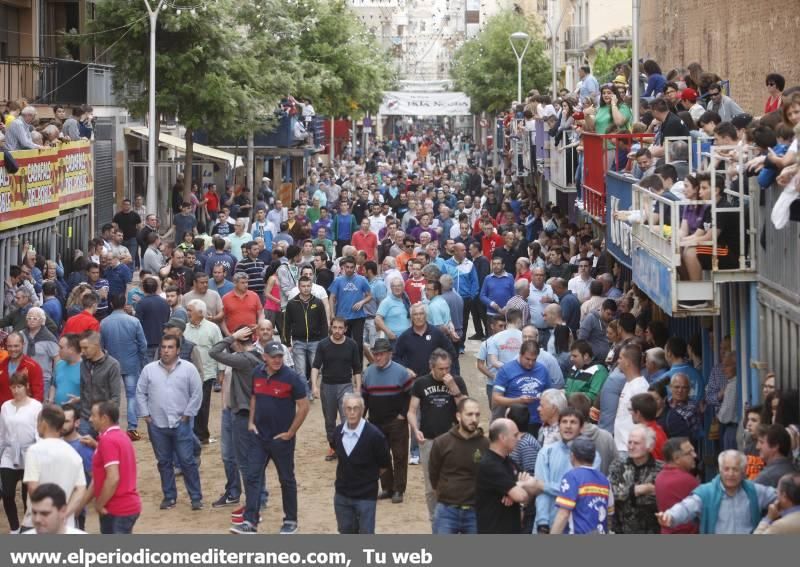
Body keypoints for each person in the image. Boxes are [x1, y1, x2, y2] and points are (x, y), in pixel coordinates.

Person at [236, 341, 310, 535]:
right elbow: (254, 397)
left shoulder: (292, 378)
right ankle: (250, 521)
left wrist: (291, 432)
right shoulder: (257, 374)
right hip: (259, 437)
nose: (278, 360)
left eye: (280, 356)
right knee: (252, 477)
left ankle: (291, 520)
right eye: (274, 356)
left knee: (286, 479)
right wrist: (251, 423)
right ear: (265, 357)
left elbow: (303, 406)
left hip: (281, 439)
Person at [136, 335, 204, 511]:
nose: (166, 350)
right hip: (157, 425)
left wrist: (188, 415)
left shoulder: (189, 369)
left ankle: (195, 497)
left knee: (187, 461)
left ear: (178, 350)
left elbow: (197, 393)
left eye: (170, 347)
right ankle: (169, 497)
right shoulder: (149, 370)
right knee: (164, 462)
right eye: (164, 347)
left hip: (182, 423)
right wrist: (146, 415)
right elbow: (140, 392)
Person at [407, 348, 468, 522]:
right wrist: (415, 428)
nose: (445, 372)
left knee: (456, 480)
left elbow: (465, 409)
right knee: (431, 485)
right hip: (428, 440)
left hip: (454, 440)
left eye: (447, 368)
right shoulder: (421, 383)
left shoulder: (457, 381)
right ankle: (435, 521)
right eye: (441, 369)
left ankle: (455, 519)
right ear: (431, 367)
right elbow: (411, 411)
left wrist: (454, 388)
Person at [657, 450, 776, 534]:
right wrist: (670, 516)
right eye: (726, 469)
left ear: (744, 471)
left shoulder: (754, 491)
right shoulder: (706, 492)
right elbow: (686, 507)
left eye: (735, 469)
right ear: (719, 469)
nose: (730, 474)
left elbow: (780, 496)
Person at [361, 339, 413, 504]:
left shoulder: (401, 372)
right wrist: (361, 418)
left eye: (381, 354)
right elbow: (365, 397)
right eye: (375, 354)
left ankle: (399, 489)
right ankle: (387, 488)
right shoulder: (368, 373)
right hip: (375, 422)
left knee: (399, 455)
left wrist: (403, 415)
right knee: (380, 457)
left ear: (390, 354)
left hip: (396, 421)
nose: (377, 357)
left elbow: (410, 395)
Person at [427, 397, 489, 534]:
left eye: (477, 415)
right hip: (446, 511)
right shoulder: (441, 442)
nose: (474, 419)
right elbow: (433, 475)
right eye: (469, 414)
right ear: (458, 416)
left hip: (475, 512)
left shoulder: (486, 444)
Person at [534, 408, 601, 532]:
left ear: (581, 428)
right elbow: (540, 490)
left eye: (573, 422)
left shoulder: (593, 456)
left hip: (579, 525)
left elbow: (581, 491)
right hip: (548, 522)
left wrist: (545, 486)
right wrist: (542, 522)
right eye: (564, 422)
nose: (568, 426)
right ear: (559, 426)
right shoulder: (545, 452)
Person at [21, 404, 86, 531]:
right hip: (65, 524)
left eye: (37, 422)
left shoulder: (34, 451)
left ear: (43, 423)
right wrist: (64, 514)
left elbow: (33, 487)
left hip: (37, 524)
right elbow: (80, 490)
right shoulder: (73, 454)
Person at [332, 393, 391, 534]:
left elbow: (384, 464)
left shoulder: (375, 435)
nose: (352, 413)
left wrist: (368, 479)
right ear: (344, 410)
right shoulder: (337, 433)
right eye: (348, 408)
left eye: (356, 408)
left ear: (362, 410)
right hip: (342, 495)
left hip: (366, 496)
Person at [82, 401, 141, 534]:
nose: (90, 419)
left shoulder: (108, 441)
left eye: (93, 415)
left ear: (104, 418)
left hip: (116, 509)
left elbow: (113, 478)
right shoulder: (121, 436)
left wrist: (99, 504)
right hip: (125, 507)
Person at [311, 318, 362, 460]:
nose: (337, 331)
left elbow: (357, 368)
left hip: (346, 385)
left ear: (345, 329)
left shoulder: (352, 345)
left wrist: (358, 388)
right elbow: (316, 366)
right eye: (335, 328)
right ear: (331, 328)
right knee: (329, 420)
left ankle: (347, 446)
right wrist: (314, 385)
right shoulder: (323, 345)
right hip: (327, 386)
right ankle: (333, 446)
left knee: (348, 417)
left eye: (340, 328)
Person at [476, 418, 539, 534]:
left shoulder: (509, 462)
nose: (519, 438)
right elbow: (521, 496)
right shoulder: (490, 465)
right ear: (502, 438)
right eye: (515, 435)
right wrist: (519, 489)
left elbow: (536, 486)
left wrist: (518, 486)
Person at [100, 294, 148, 441]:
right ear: (125, 304)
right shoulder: (134, 321)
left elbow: (100, 346)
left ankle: (111, 426)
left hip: (110, 363)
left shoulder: (104, 323)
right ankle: (132, 427)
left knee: (112, 397)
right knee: (131, 395)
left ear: (112, 305)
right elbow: (143, 344)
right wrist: (140, 359)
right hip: (131, 362)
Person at [0, 372, 42, 532]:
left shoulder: (36, 406)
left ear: (26, 387)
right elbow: (2, 433)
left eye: (19, 386)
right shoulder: (5, 406)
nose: (16, 390)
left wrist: (39, 454)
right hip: (9, 454)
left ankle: (28, 527)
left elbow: (39, 432)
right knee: (8, 493)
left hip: (29, 454)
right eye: (13, 387)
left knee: (27, 496)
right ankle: (14, 528)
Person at [550, 436, 614, 535]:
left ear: (572, 456)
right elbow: (610, 513)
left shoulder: (572, 477)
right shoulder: (605, 480)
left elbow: (563, 514)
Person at [608, 425, 663, 534]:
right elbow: (611, 493)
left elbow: (661, 499)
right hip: (621, 531)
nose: (631, 447)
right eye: (629, 442)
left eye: (636, 443)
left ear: (649, 446)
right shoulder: (618, 465)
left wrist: (626, 493)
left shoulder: (661, 470)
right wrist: (637, 490)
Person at [492, 340, 552, 437]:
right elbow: (496, 398)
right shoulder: (506, 370)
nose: (530, 363)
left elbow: (549, 394)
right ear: (520, 354)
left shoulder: (542, 370)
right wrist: (518, 400)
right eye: (527, 359)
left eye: (534, 360)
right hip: (514, 422)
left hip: (536, 421)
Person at [184, 300, 223, 445]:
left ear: (200, 313)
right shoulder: (185, 329)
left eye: (190, 310)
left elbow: (220, 349)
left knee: (203, 405)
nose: (187, 313)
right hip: (188, 374)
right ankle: (193, 433)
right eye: (187, 310)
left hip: (207, 373)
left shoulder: (212, 328)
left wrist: (221, 370)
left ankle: (202, 435)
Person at [286, 277, 329, 396]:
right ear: (299, 287)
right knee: (300, 371)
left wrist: (324, 341)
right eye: (303, 286)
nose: (306, 288)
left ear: (311, 286)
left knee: (316, 369)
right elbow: (287, 324)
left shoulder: (318, 303)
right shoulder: (291, 304)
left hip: (315, 342)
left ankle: (311, 387)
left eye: (308, 286)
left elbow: (323, 323)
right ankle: (304, 394)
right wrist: (287, 343)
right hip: (298, 341)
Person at [394, 303, 458, 378]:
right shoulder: (405, 336)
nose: (418, 317)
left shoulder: (436, 333)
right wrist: (405, 369)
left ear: (426, 316)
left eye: (421, 314)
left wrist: (442, 370)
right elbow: (395, 358)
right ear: (411, 317)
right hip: (414, 381)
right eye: (415, 314)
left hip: (434, 380)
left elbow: (451, 352)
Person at [78, 331, 122, 437]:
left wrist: (109, 419)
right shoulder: (83, 364)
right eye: (81, 348)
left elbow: (115, 397)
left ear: (96, 345)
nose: (82, 352)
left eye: (85, 348)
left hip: (104, 420)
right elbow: (83, 389)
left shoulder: (112, 365)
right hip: (86, 418)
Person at [328, 256, 372, 361]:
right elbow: (331, 297)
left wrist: (362, 302)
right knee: (342, 343)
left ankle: (358, 369)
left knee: (358, 344)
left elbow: (370, 295)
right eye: (347, 267)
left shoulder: (362, 280)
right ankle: (344, 365)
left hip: (358, 316)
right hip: (342, 317)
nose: (349, 269)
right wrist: (332, 314)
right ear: (343, 267)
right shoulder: (338, 280)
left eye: (351, 267)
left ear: (355, 267)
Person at [655, 437, 700, 534]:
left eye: (693, 451)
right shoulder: (687, 480)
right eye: (689, 453)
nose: (695, 455)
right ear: (677, 459)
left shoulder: (660, 477)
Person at [614, 343, 649, 456]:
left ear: (628, 362)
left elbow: (643, 421)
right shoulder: (628, 383)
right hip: (621, 446)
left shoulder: (640, 387)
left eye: (620, 358)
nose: (618, 361)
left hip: (630, 449)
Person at [565, 340, 608, 404]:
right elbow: (567, 388)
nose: (571, 359)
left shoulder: (599, 371)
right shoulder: (574, 368)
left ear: (586, 356)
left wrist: (566, 395)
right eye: (571, 355)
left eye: (575, 356)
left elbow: (593, 396)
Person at [50, 334, 81, 405]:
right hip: (58, 412)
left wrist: (79, 399)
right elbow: (54, 384)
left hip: (76, 413)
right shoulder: (59, 364)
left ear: (72, 350)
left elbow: (93, 394)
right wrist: (51, 399)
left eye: (61, 348)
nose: (58, 350)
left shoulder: (86, 368)